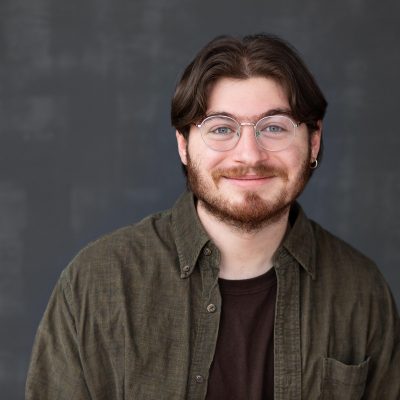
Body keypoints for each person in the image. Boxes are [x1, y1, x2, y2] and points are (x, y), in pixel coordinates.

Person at [26, 33, 400, 400]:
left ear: (313, 140)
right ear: (183, 145)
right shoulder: (95, 285)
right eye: (221, 128)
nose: (250, 155)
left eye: (274, 127)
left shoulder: (361, 292)